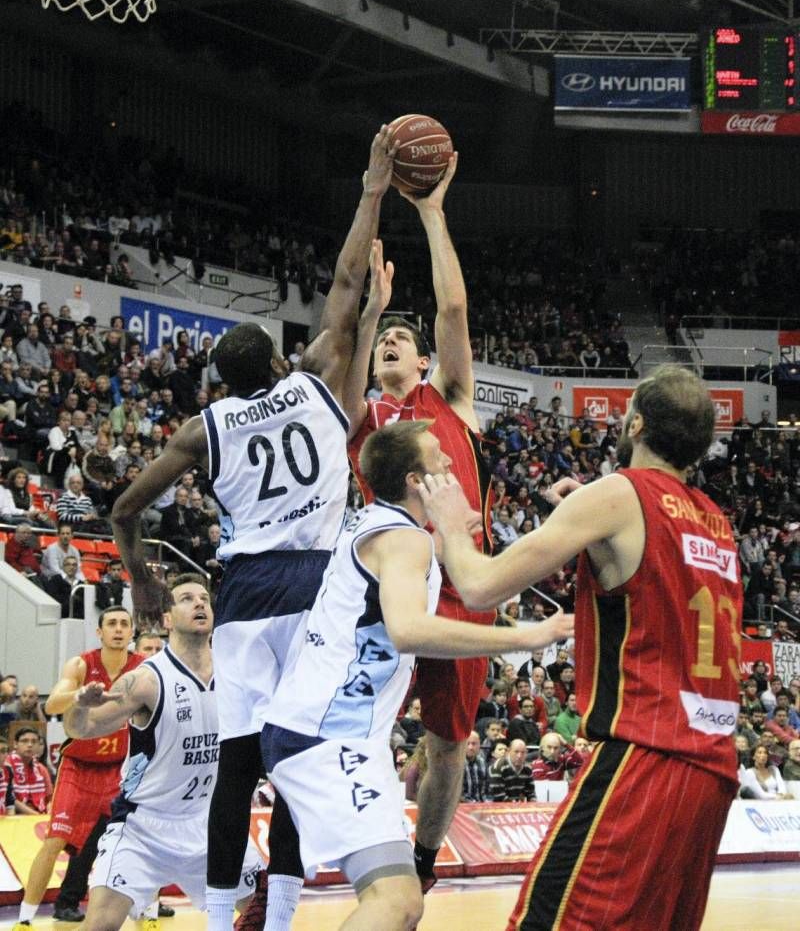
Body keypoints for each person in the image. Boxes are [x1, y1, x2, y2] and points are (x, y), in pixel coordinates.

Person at [109, 127, 400, 931]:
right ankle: (278, 919)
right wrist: (371, 189)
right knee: (299, 759)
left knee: (236, 767)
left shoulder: (202, 431)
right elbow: (344, 286)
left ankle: (214, 919)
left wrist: (141, 575)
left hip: (245, 591)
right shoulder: (312, 388)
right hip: (317, 586)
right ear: (277, 363)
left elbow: (125, 509)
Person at [419, 365, 744, 931]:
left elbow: (477, 587)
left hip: (642, 758)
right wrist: (588, 517)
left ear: (637, 422)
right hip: (712, 774)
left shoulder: (616, 496)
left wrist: (449, 525)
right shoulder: (715, 521)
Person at [261, 420, 574, 931]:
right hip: (325, 735)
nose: (451, 463)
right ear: (414, 480)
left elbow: (474, 568)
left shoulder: (387, 525)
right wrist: (524, 639)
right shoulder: (404, 541)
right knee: (398, 903)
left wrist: (540, 513)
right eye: (439, 458)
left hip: (329, 732)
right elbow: (408, 631)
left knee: (403, 905)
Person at [345, 152, 498, 892]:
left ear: (426, 360)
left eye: (398, 341)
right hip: (392, 587)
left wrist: (432, 215)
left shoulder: (452, 402)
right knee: (356, 731)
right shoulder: (363, 420)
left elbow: (454, 311)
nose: (386, 350)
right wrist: (368, 313)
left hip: (462, 585)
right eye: (380, 346)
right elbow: (341, 347)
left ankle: (427, 860)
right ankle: (335, 854)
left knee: (447, 746)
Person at [60, 575, 261, 931]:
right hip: (144, 826)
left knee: (266, 913)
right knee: (99, 926)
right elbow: (81, 729)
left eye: (204, 598)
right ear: (166, 619)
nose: (199, 604)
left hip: (210, 821)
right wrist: (78, 705)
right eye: (186, 598)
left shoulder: (236, 671)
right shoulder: (147, 680)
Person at [12, 608, 142, 928]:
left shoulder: (143, 667)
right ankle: (25, 919)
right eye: (111, 624)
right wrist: (78, 695)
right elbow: (52, 704)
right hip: (78, 768)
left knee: (137, 843)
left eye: (124, 624)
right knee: (54, 842)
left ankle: (144, 911)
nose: (118, 629)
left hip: (118, 770)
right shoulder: (82, 664)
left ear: (131, 632)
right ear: (99, 632)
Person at [4, 726, 52, 815]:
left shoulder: (41, 769)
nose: (30, 745)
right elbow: (9, 799)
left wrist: (49, 812)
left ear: (38, 745)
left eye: (34, 742)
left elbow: (50, 799)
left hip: (39, 816)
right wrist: (35, 815)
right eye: (24, 741)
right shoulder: (6, 766)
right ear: (15, 744)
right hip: (14, 817)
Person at [462, 730, 488, 802]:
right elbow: (458, 796)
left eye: (474, 744)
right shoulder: (456, 765)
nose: (470, 747)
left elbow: (486, 790)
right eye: (467, 744)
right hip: (463, 806)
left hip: (481, 805)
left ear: (479, 745)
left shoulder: (482, 763)